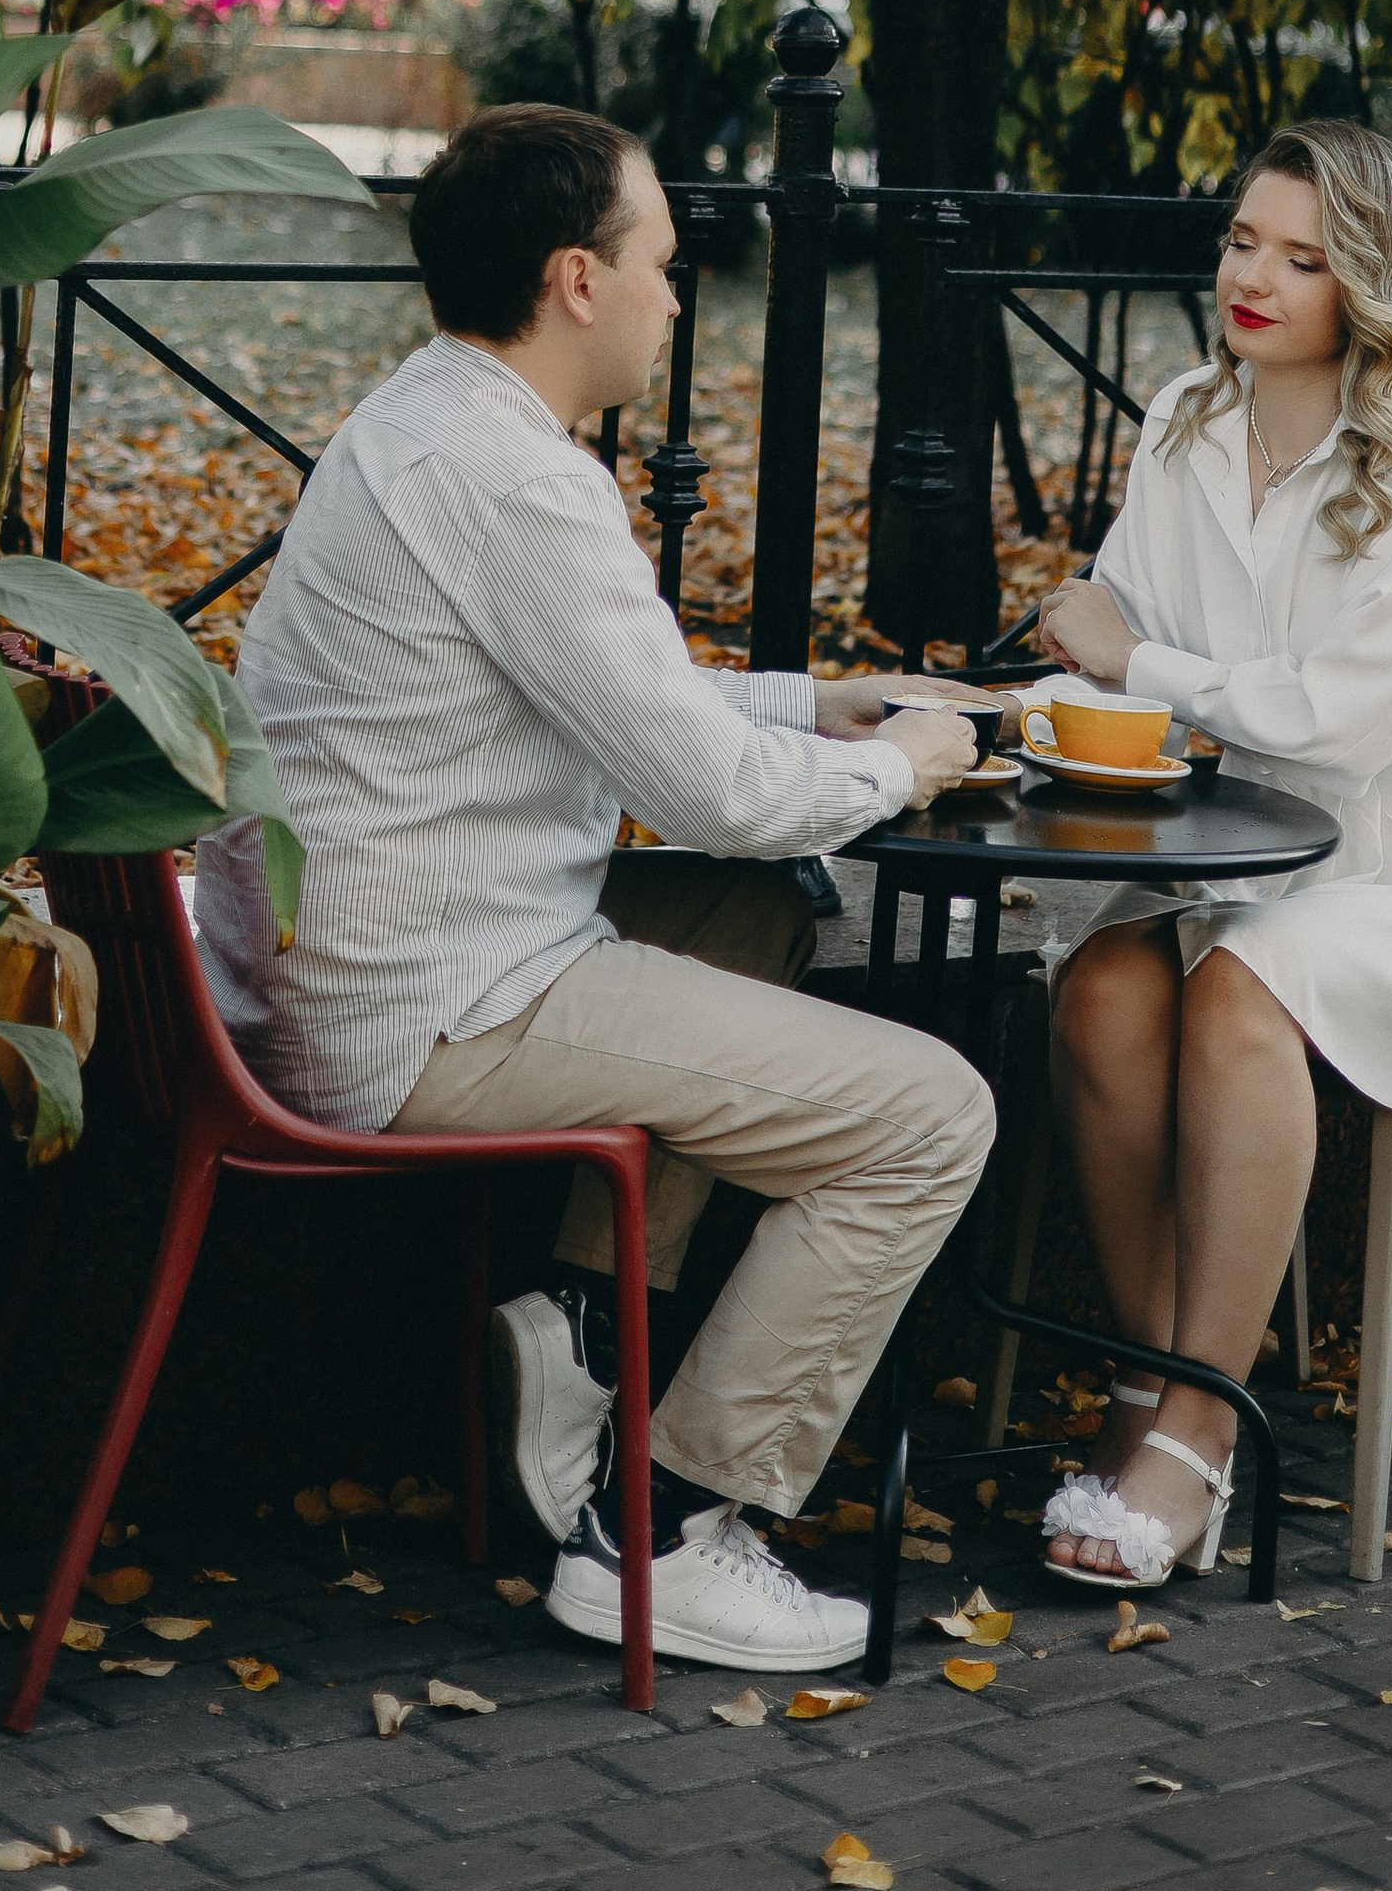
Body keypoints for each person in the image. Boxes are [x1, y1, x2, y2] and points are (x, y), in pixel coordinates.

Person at [196, 100, 994, 1674]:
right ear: (578, 279)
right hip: (425, 1010)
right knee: (929, 1118)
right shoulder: (517, 483)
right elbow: (714, 794)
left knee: (759, 916)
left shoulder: (432, 417)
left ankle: (576, 1330)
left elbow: (625, 700)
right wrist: (908, 766)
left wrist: (823, 701)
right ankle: (666, 1535)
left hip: (353, 959)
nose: (675, 299)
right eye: (663, 264)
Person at [1025, 118, 1392, 1591]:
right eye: (1242, 241)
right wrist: (1049, 694)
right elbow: (1121, 645)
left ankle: (1202, 1430)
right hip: (1238, 852)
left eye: (1304, 259)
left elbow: (1339, 721)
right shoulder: (1186, 417)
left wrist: (1140, 665)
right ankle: (1152, 1375)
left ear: (1372, 284)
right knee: (1100, 988)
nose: (1252, 279)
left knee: (1240, 989)